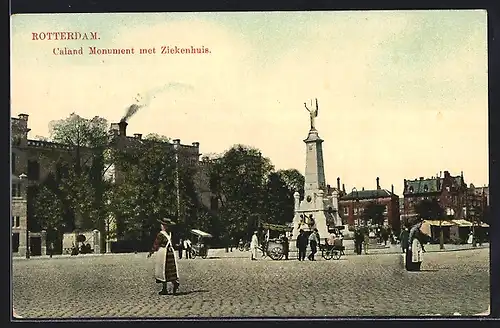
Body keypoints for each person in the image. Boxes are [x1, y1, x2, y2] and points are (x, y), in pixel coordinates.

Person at [147, 218, 180, 295]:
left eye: (162, 225)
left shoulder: (161, 234)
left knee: (162, 270)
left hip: (163, 253)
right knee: (170, 269)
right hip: (170, 253)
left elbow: (156, 244)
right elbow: (174, 244)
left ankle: (164, 289)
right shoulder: (170, 234)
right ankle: (174, 282)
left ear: (164, 226)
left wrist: (151, 252)